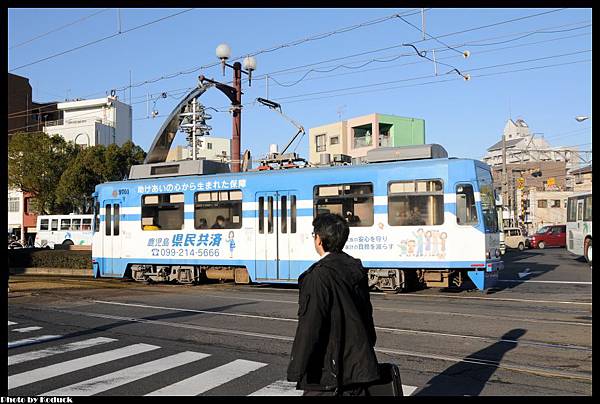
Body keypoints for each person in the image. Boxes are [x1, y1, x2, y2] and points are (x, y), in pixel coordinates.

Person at [287, 213, 380, 396]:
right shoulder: (355, 269)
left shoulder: (318, 276)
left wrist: (296, 368)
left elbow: (310, 327)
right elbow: (366, 315)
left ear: (319, 240)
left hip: (327, 372)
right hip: (358, 369)